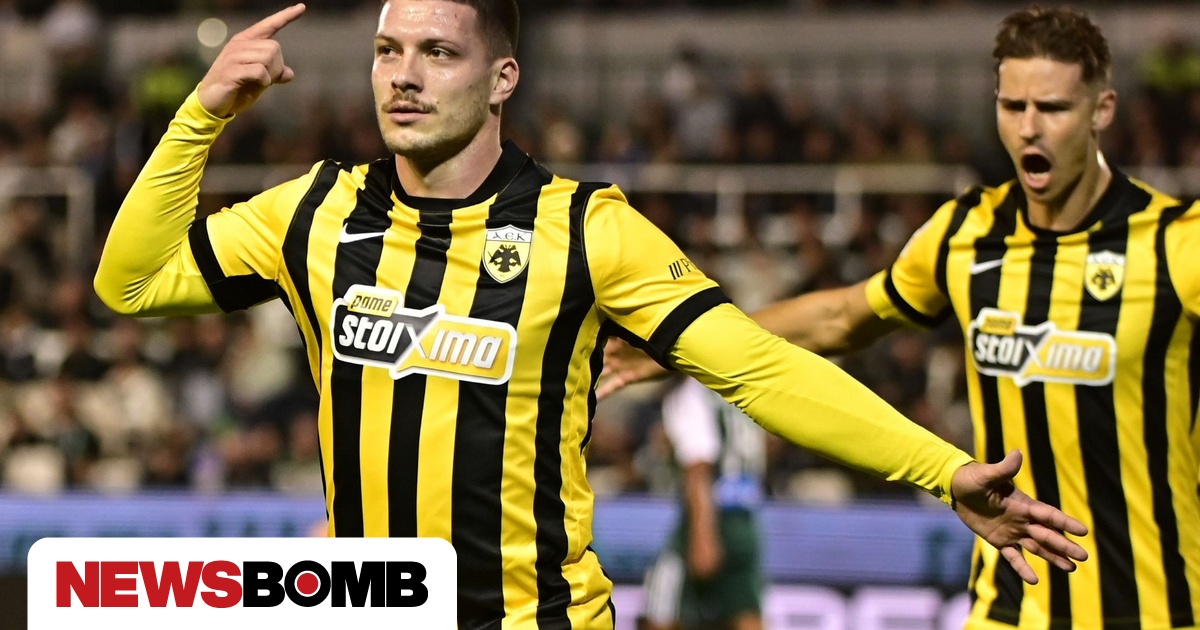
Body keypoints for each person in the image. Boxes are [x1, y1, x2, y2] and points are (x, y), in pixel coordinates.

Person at [93, 1, 1089, 627]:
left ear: (501, 80)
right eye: (388, 50)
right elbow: (129, 284)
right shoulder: (313, 211)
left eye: (438, 52)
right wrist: (203, 114)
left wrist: (941, 470)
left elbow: (757, 365)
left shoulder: (586, 229)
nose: (403, 75)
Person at [601, 6, 1200, 629]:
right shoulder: (968, 233)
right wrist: (689, 342)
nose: (1029, 128)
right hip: (1008, 610)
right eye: (1012, 106)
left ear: (1102, 110)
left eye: (1052, 108)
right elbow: (840, 317)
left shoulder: (1178, 244)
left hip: (1158, 611)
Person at [639, 378, 766, 630]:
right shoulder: (740, 385)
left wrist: (703, 535)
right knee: (744, 608)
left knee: (664, 603)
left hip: (707, 516)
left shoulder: (692, 391)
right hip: (745, 517)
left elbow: (698, 467)